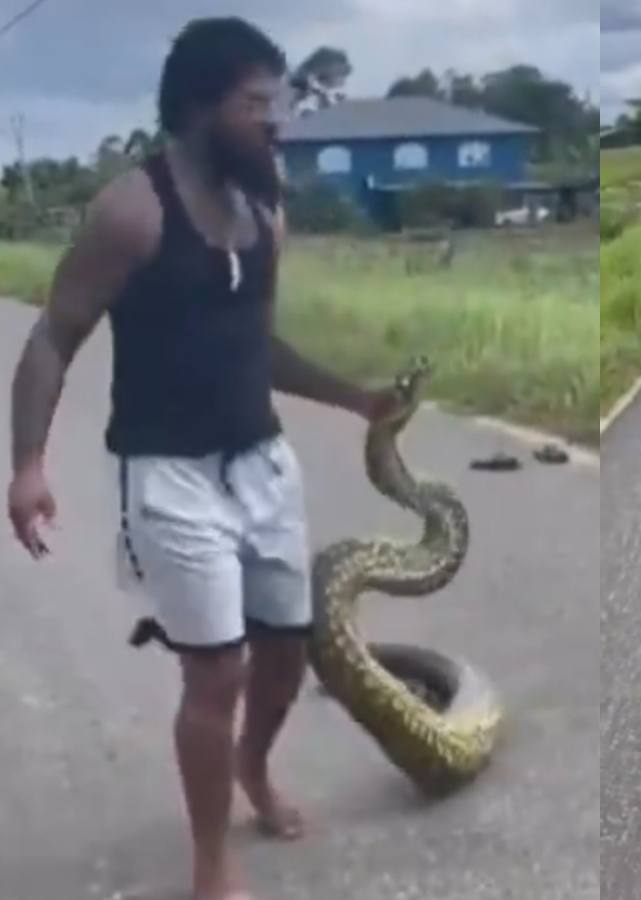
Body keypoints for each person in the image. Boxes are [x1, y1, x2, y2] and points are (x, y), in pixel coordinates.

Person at [5, 18, 401, 900]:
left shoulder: (266, 214)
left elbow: (255, 347)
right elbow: (51, 339)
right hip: (169, 476)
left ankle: (251, 770)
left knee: (286, 652)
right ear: (198, 109)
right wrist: (27, 464)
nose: (275, 122)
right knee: (215, 668)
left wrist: (357, 397)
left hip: (261, 465)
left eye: (278, 102)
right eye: (255, 104)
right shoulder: (131, 211)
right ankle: (211, 861)